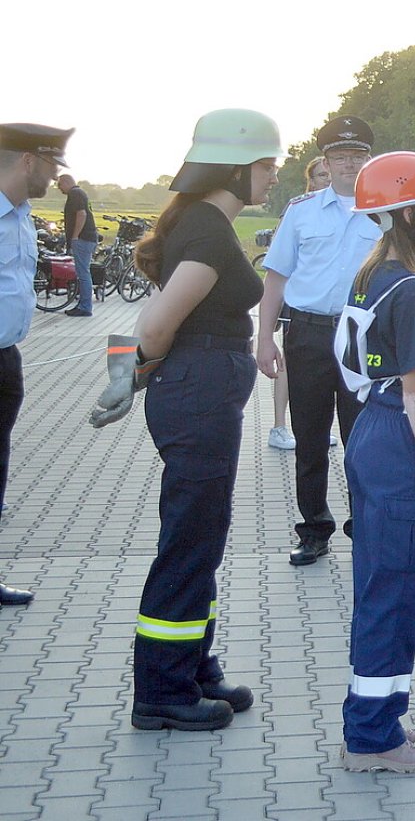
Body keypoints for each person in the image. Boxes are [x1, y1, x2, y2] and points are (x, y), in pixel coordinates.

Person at [88, 109, 283, 731]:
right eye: (267, 166)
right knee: (190, 540)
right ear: (237, 167)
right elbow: (157, 323)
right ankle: (162, 691)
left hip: (202, 392)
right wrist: (134, 372)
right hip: (197, 395)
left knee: (203, 535)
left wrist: (138, 373)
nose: (273, 176)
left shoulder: (203, 224)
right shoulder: (206, 230)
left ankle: (195, 666)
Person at [333, 151, 415, 773]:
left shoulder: (372, 273)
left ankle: (383, 720)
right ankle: (372, 740)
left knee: (382, 585)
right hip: (398, 439)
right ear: (410, 212)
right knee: (396, 589)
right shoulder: (408, 288)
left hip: (370, 434)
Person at [257, 115, 379, 567]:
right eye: (340, 156)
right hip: (306, 333)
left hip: (361, 336)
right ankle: (313, 530)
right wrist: (264, 337)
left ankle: (365, 525)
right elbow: (277, 276)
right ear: (325, 161)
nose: (349, 163)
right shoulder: (302, 212)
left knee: (362, 438)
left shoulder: (384, 214)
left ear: (369, 161)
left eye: (357, 155)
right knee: (310, 439)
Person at [0, 122, 74, 607]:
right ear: (28, 161)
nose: (55, 175)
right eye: (51, 164)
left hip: (7, 356)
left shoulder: (22, 213)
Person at [269, 156, 332, 451]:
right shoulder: (298, 208)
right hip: (298, 305)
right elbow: (282, 260)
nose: (327, 180)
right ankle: (280, 425)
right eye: (321, 175)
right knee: (288, 366)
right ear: (311, 180)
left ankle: (322, 427)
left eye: (328, 175)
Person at [57, 171, 96, 317]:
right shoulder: (80, 193)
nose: (59, 188)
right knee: (83, 272)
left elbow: (82, 214)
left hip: (83, 239)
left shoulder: (75, 194)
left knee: (83, 273)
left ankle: (85, 307)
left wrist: (74, 237)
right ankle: (83, 304)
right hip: (87, 238)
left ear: (67, 182)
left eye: (59, 184)